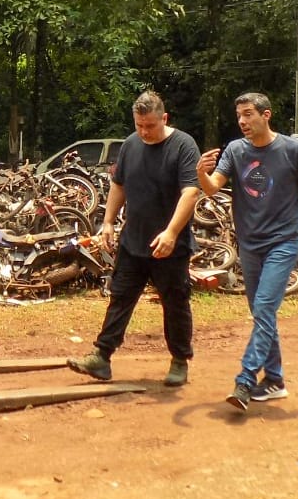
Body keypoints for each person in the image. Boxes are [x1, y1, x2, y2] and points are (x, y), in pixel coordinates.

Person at [196, 92, 298, 411]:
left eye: (249, 114)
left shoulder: (293, 150)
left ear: (267, 115)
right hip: (249, 245)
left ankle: (246, 380)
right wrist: (201, 171)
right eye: (239, 115)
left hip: (284, 241)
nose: (242, 121)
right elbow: (212, 187)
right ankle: (276, 380)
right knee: (261, 313)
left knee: (264, 307)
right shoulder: (236, 151)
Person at [67, 90, 200, 386]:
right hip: (133, 240)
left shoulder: (183, 145)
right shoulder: (130, 144)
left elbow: (191, 191)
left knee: (175, 303)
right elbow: (119, 184)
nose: (144, 132)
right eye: (139, 125)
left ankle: (179, 361)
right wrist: (108, 222)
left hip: (170, 246)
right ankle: (102, 357)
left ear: (164, 118)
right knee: (120, 297)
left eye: (150, 126)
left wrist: (172, 232)